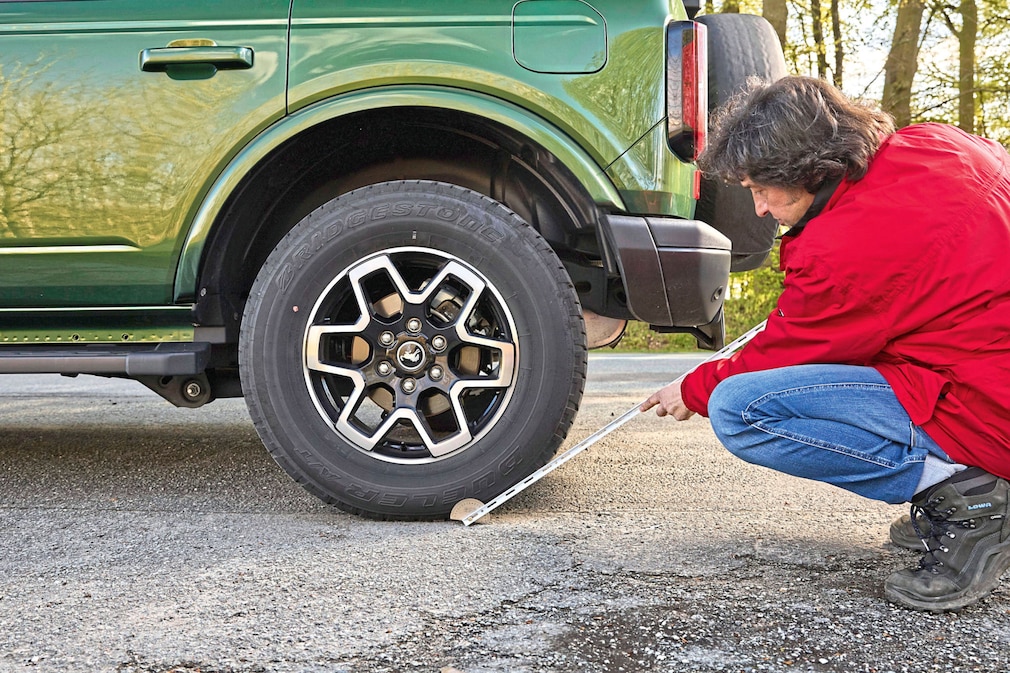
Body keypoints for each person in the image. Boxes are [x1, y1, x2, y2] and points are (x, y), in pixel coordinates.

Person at [641, 75, 1010, 612]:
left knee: (741, 409)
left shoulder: (844, 249)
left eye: (762, 190)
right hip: (988, 363)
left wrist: (694, 387)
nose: (761, 209)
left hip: (992, 407)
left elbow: (782, 356)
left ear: (807, 170)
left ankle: (972, 500)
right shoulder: (939, 144)